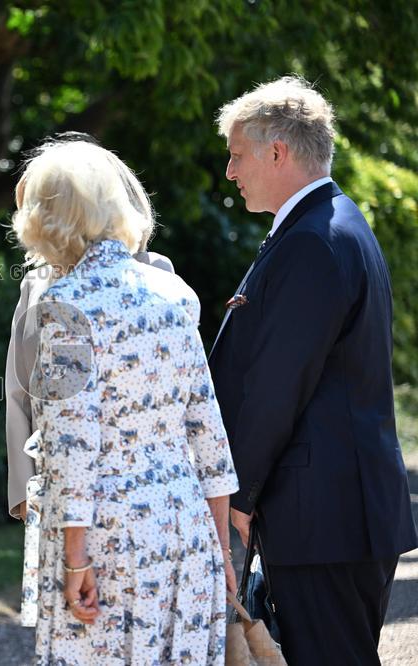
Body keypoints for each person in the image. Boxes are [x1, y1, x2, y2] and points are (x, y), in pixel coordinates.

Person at [211, 75, 418, 665]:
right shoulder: (333, 223)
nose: (230, 170)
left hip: (324, 518)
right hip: (334, 512)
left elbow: (278, 386)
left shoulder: (314, 240)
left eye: (238, 154)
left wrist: (239, 498)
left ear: (277, 152)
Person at [12, 139, 239, 664]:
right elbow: (208, 429)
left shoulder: (66, 303)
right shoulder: (174, 293)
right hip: (185, 528)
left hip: (106, 536)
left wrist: (75, 561)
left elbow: (73, 447)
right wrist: (222, 550)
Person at [6, 137, 176, 523]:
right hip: (50, 487)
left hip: (135, 489)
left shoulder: (156, 273)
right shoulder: (34, 284)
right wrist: (24, 493)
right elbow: (18, 392)